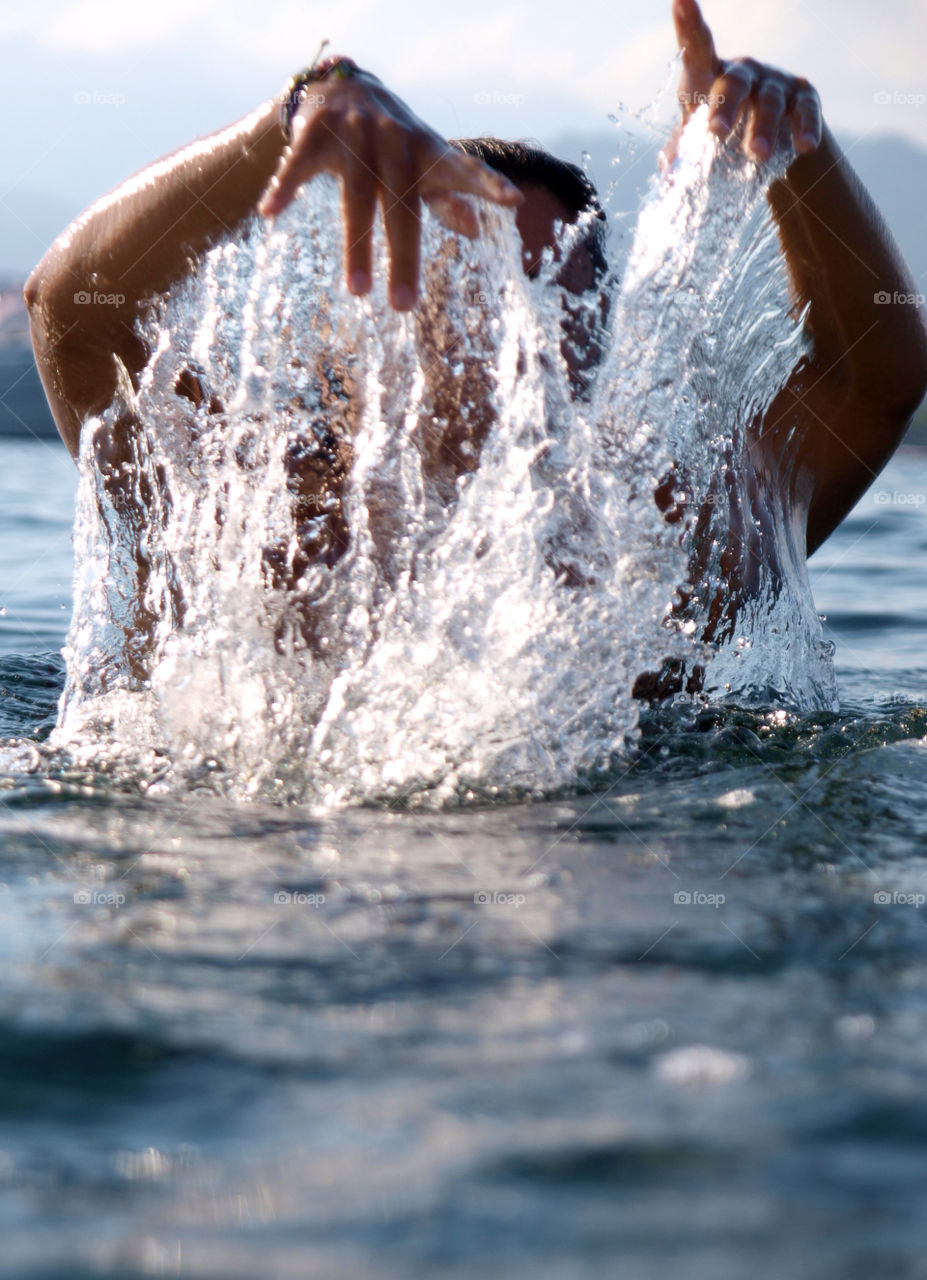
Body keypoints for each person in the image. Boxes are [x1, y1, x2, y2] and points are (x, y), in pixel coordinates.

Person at [23, 0, 927, 696]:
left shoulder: (661, 532)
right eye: (472, 283)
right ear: (365, 319)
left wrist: (795, 147)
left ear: (599, 331)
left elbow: (872, 380)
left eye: (547, 289)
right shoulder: (253, 507)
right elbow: (72, 314)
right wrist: (293, 119)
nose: (514, 326)